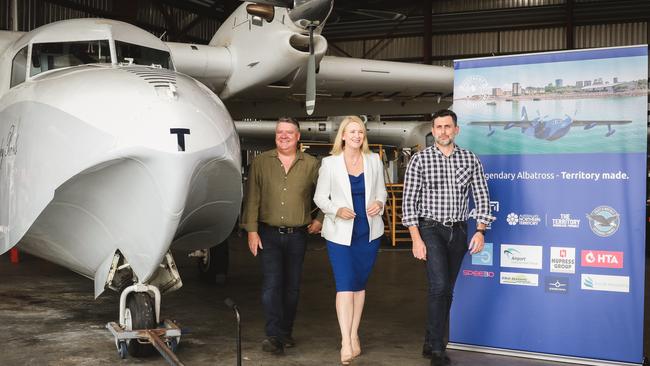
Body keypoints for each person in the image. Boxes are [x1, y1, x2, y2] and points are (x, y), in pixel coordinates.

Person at [402, 109, 494, 366]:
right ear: (432, 130)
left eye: (448, 126)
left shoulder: (469, 159)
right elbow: (409, 202)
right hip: (430, 228)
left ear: (456, 130)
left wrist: (480, 229)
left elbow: (482, 195)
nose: (443, 131)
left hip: (460, 230)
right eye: (438, 127)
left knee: (447, 290)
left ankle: (430, 339)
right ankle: (437, 348)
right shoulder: (420, 160)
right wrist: (415, 238)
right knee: (439, 286)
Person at [240, 117, 323, 355]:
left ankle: (286, 332)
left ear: (298, 137)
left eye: (289, 132)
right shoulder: (261, 162)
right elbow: (252, 196)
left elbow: (326, 193)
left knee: (292, 288)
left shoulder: (311, 164)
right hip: (268, 234)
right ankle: (273, 335)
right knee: (271, 285)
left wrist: (320, 220)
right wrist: (252, 231)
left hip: (298, 235)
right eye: (279, 133)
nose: (283, 136)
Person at [314, 116, 387, 365]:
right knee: (345, 285)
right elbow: (320, 198)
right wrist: (336, 210)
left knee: (358, 286)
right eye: (352, 131)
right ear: (343, 135)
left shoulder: (374, 160)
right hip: (340, 234)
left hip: (368, 232)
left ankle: (354, 333)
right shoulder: (330, 163)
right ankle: (345, 340)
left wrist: (379, 203)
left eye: (361, 132)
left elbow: (382, 192)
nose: (357, 136)